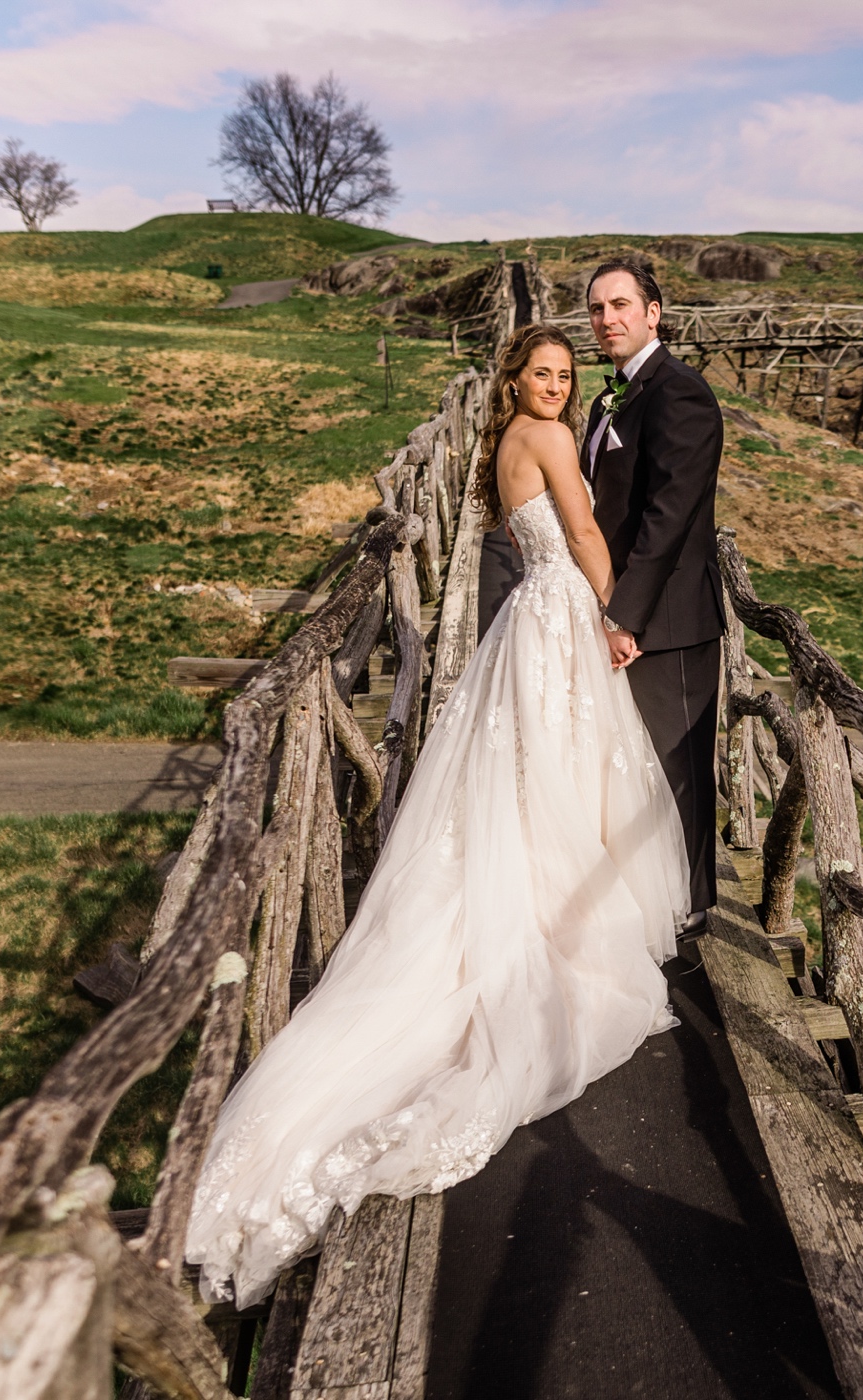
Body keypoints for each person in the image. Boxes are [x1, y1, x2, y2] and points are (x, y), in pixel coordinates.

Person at [186, 324, 691, 1309]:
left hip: (521, 624)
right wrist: (618, 613)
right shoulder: (546, 439)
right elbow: (585, 535)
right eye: (541, 373)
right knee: (563, 770)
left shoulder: (501, 447)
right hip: (558, 616)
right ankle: (555, 921)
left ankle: (539, 902)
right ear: (517, 379)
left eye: (563, 374)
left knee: (525, 773)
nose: (555, 385)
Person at [481, 257, 725, 921]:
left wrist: (623, 614)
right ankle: (633, 907)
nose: (607, 318)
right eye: (596, 308)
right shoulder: (601, 400)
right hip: (599, 607)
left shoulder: (681, 393)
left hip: (664, 616)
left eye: (621, 305)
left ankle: (693, 916)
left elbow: (669, 516)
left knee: (675, 768)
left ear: (654, 313)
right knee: (620, 770)